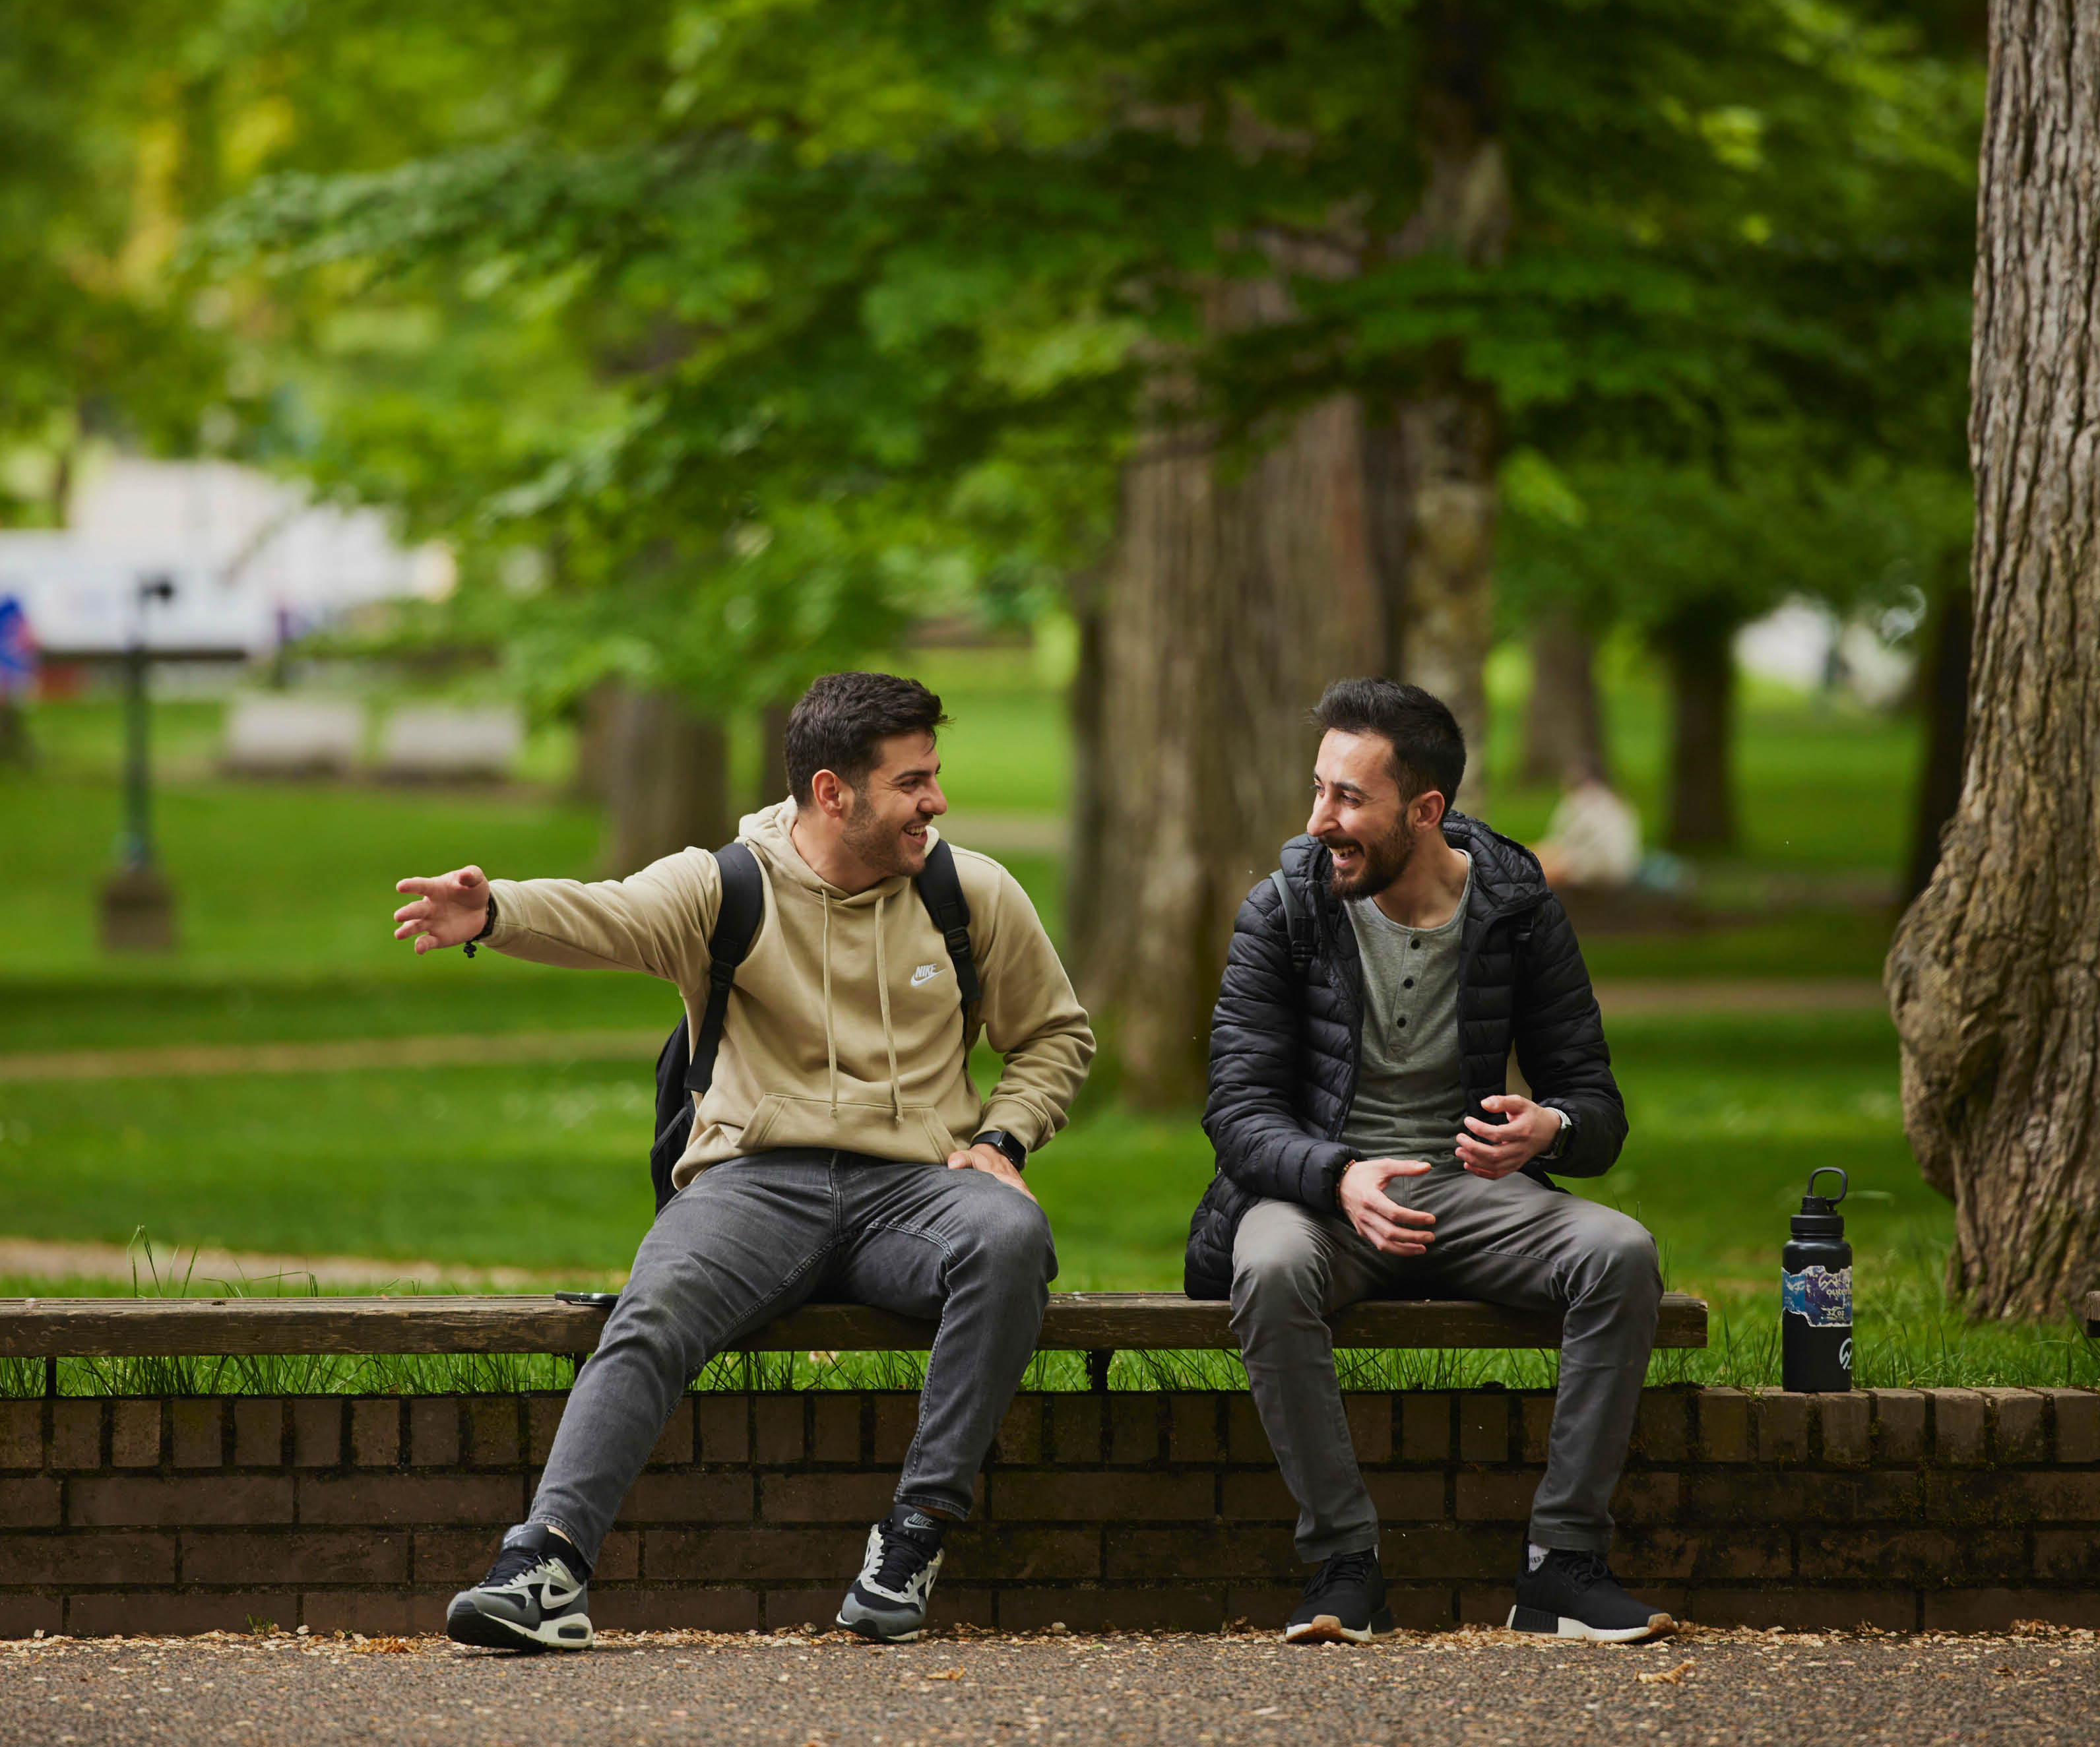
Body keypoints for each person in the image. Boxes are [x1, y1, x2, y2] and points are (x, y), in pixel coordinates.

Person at [393, 672, 1094, 1650]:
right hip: (755, 1185)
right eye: (913, 781)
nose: (935, 800)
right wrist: (495, 913)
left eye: (935, 775)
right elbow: (609, 914)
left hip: (919, 1192)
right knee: (655, 1305)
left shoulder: (968, 891)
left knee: (1010, 1235)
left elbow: (1056, 1037)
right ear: (831, 791)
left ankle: (915, 1535)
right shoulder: (728, 885)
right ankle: (545, 1565)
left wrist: (999, 1139)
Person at [1185, 678, 1672, 1645]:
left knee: (1618, 1254)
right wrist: (1338, 1176)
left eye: (1348, 799)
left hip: (1470, 1192)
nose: (1321, 819)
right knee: (1271, 1265)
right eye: (1318, 790)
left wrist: (1553, 1129)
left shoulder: (1518, 909)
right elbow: (1236, 1114)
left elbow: (1597, 1103)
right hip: (1322, 1192)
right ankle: (1343, 1566)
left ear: (1425, 810)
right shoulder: (1284, 911)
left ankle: (1561, 1571)